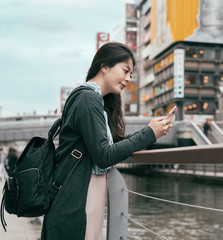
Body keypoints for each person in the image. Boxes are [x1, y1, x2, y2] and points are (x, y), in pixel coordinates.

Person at [41, 42, 173, 240]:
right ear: (104, 66)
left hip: (78, 196)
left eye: (131, 74)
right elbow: (104, 155)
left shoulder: (91, 99)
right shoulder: (88, 99)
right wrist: (149, 133)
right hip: (76, 200)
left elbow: (109, 147)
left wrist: (152, 131)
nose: (128, 78)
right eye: (125, 70)